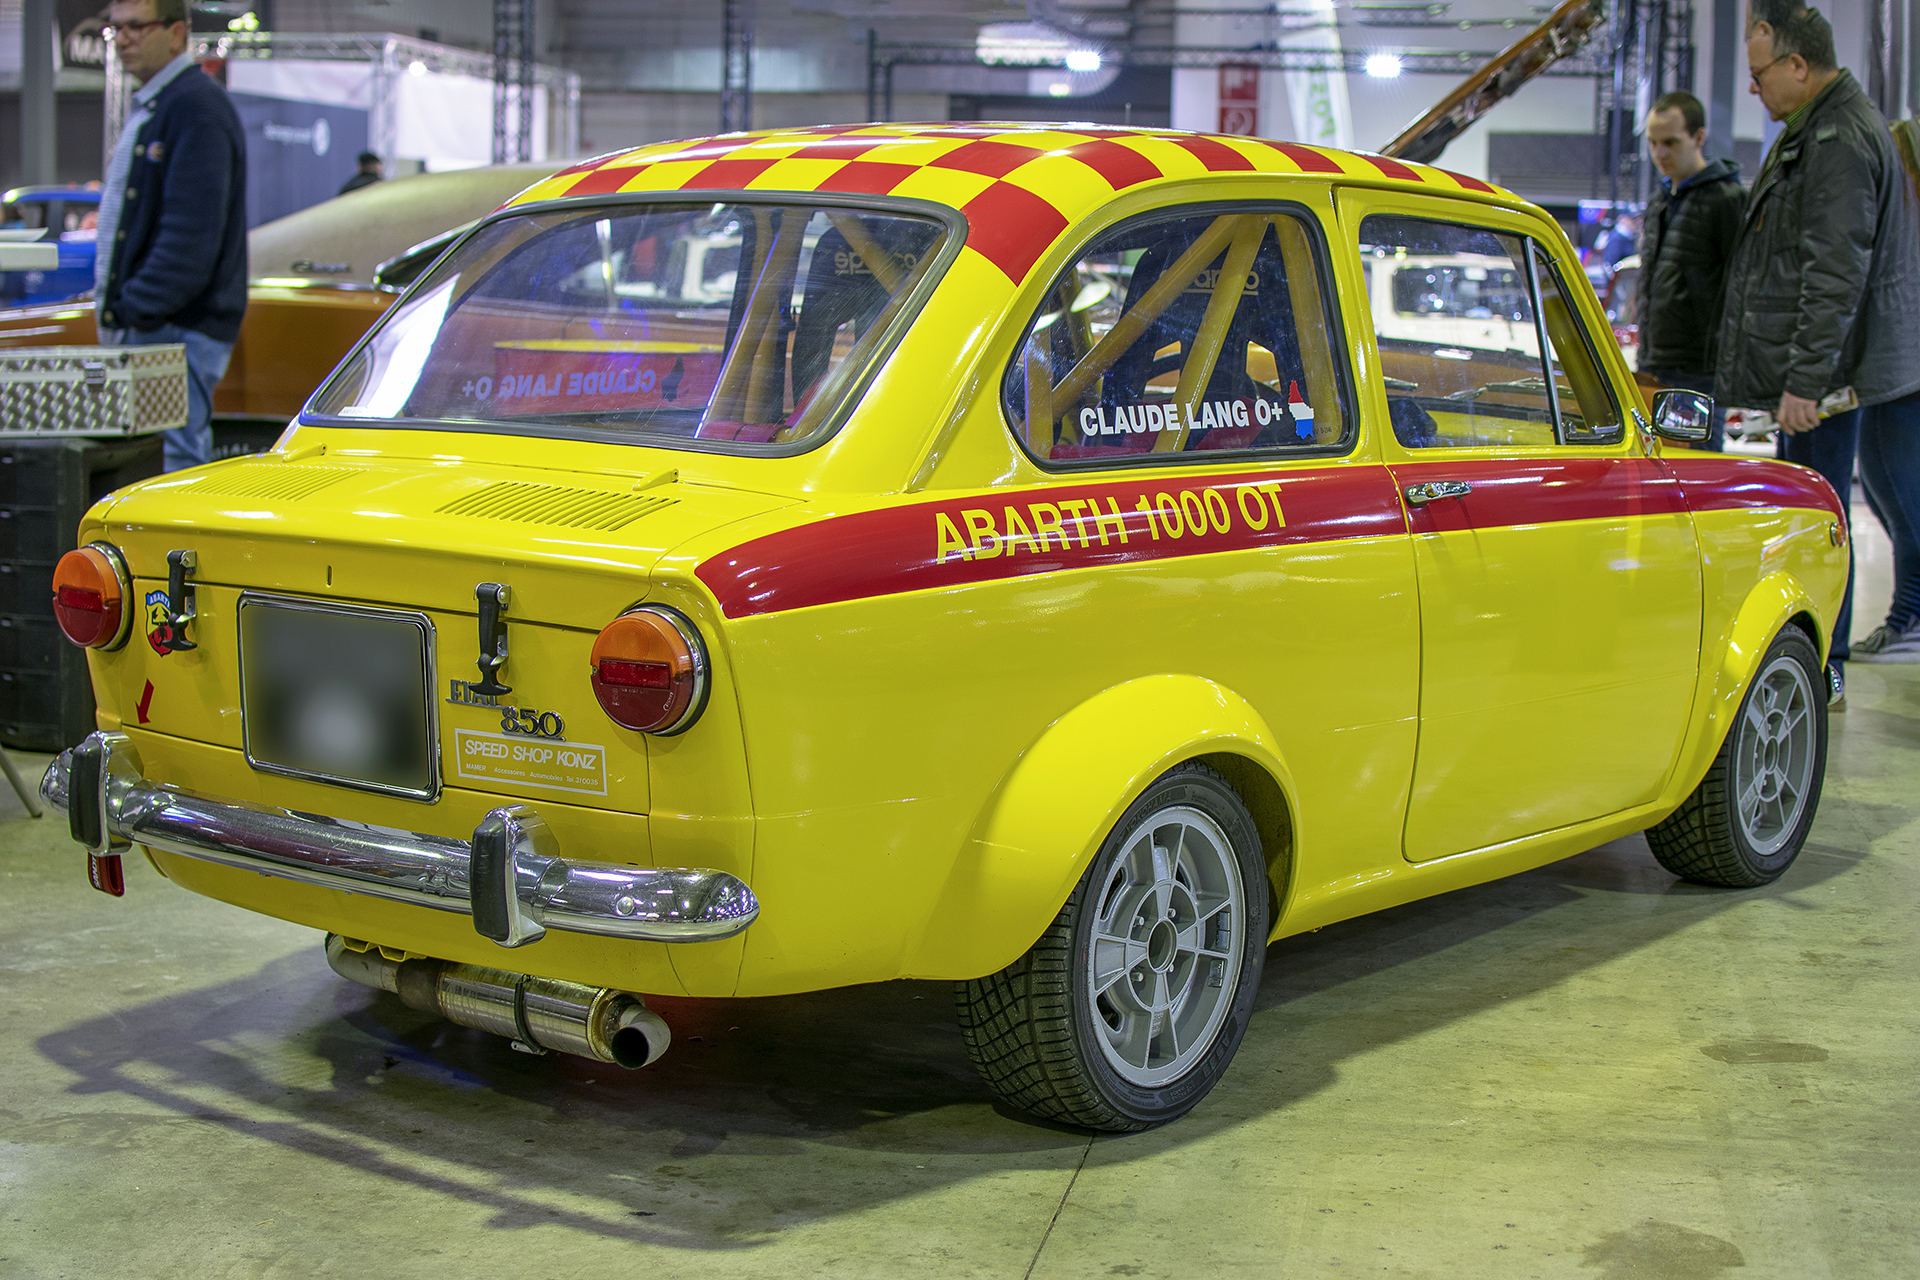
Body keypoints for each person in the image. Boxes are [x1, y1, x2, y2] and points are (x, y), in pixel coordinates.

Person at [1716, 3, 1920, 704]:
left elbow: (1835, 272)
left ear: (1798, 65)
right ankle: (1816, 658)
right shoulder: (1821, 127)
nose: (1754, 89)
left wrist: (1805, 380)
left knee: (1821, 519)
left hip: (1828, 381)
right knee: (1819, 512)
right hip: (1829, 374)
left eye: (1760, 74)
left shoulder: (1835, 139)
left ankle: (1821, 665)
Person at [94, 0, 247, 473]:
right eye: (115, 28)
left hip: (174, 330)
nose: (122, 39)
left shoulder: (195, 107)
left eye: (136, 27)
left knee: (171, 467)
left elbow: (190, 238)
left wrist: (132, 308)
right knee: (152, 463)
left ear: (177, 33)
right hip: (159, 326)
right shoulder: (164, 105)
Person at [1637, 90, 1746, 452]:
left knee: (1697, 473)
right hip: (1655, 361)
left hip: (1700, 370)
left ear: (1698, 138)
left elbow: (1741, 285)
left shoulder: (1726, 200)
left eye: (1670, 142)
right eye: (1653, 143)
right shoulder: (1661, 201)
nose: (1660, 153)